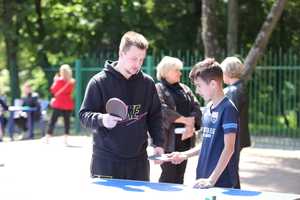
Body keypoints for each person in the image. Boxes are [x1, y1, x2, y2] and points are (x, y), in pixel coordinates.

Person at [79, 31, 164, 181]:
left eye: (141, 59)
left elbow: (155, 116)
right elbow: (84, 115)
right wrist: (101, 119)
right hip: (106, 160)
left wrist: (158, 143)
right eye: (133, 59)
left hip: (138, 161)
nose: (137, 64)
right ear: (121, 53)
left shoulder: (147, 83)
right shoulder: (99, 82)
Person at [169, 58, 240, 189]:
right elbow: (207, 143)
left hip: (223, 183)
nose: (196, 91)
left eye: (199, 85)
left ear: (213, 84)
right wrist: (185, 154)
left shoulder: (228, 109)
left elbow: (229, 148)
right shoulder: (208, 108)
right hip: (204, 179)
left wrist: (212, 180)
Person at [155, 56, 202, 184]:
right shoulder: (158, 88)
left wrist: (190, 122)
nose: (180, 73)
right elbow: (162, 110)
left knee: (180, 176)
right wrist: (185, 120)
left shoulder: (185, 89)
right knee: (168, 175)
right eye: (176, 70)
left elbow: (197, 108)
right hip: (168, 140)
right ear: (166, 72)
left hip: (185, 139)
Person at [220, 56, 251, 188]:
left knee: (230, 170)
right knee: (232, 169)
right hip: (239, 136)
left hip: (233, 137)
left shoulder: (232, 91)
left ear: (228, 72)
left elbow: (229, 115)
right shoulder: (240, 88)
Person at [45, 64, 75, 145]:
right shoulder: (72, 81)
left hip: (59, 103)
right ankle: (66, 139)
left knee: (53, 120)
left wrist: (55, 81)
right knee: (67, 121)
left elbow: (53, 90)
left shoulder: (59, 80)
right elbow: (71, 91)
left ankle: (48, 137)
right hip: (68, 103)